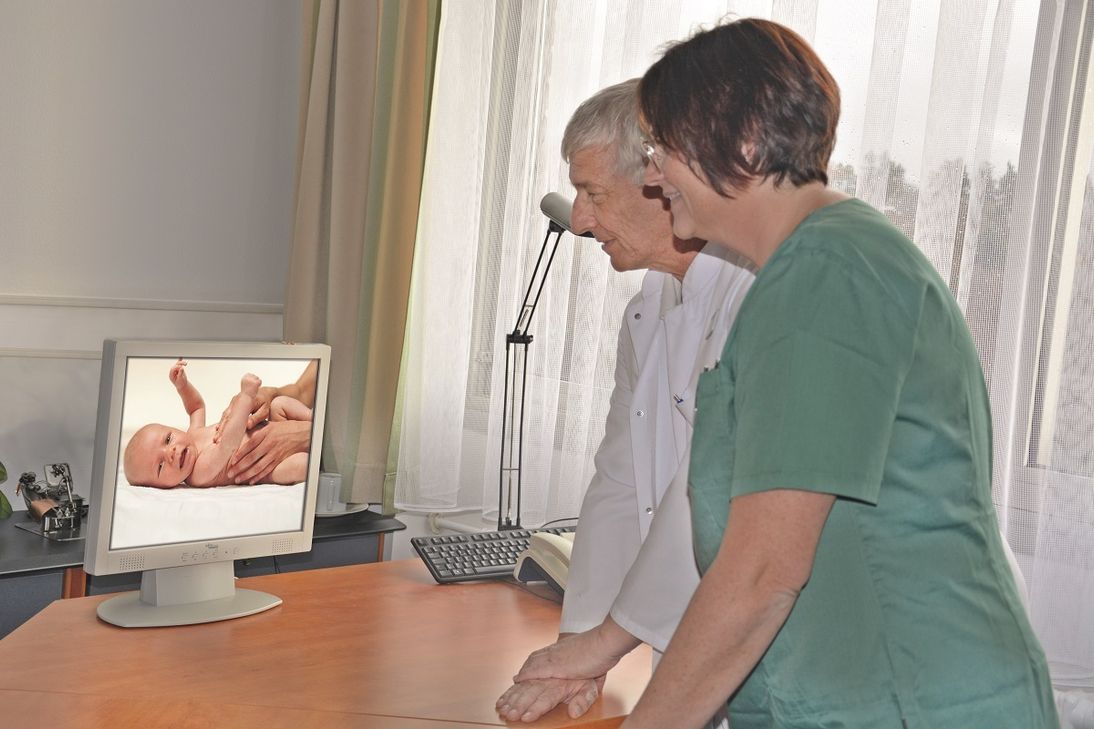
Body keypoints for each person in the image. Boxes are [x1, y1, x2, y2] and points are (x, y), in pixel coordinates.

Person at [510, 19, 1059, 729]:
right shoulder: (802, 271)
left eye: (662, 151)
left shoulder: (826, 274)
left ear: (739, 144)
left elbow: (762, 572)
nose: (652, 176)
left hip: (915, 700)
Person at [495, 78, 753, 723]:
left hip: (773, 644)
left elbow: (706, 497)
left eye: (594, 193)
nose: (580, 220)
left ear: (663, 182)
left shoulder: (755, 298)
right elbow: (620, 483)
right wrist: (578, 644)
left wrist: (605, 642)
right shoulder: (650, 306)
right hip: (694, 638)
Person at [124, 359, 310, 488]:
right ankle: (317, 455)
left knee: (279, 404)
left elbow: (196, 408)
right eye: (160, 466)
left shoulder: (192, 434)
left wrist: (182, 386)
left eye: (167, 439)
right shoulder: (198, 474)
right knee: (299, 465)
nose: (170, 452)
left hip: (274, 428)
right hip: (267, 467)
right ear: (160, 487)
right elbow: (228, 444)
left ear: (172, 429)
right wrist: (246, 397)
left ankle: (313, 419)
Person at [226, 360, 319, 484]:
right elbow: (301, 391)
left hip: (325, 438)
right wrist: (268, 393)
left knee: (279, 404)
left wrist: (314, 431)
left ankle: (318, 423)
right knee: (278, 403)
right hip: (268, 467)